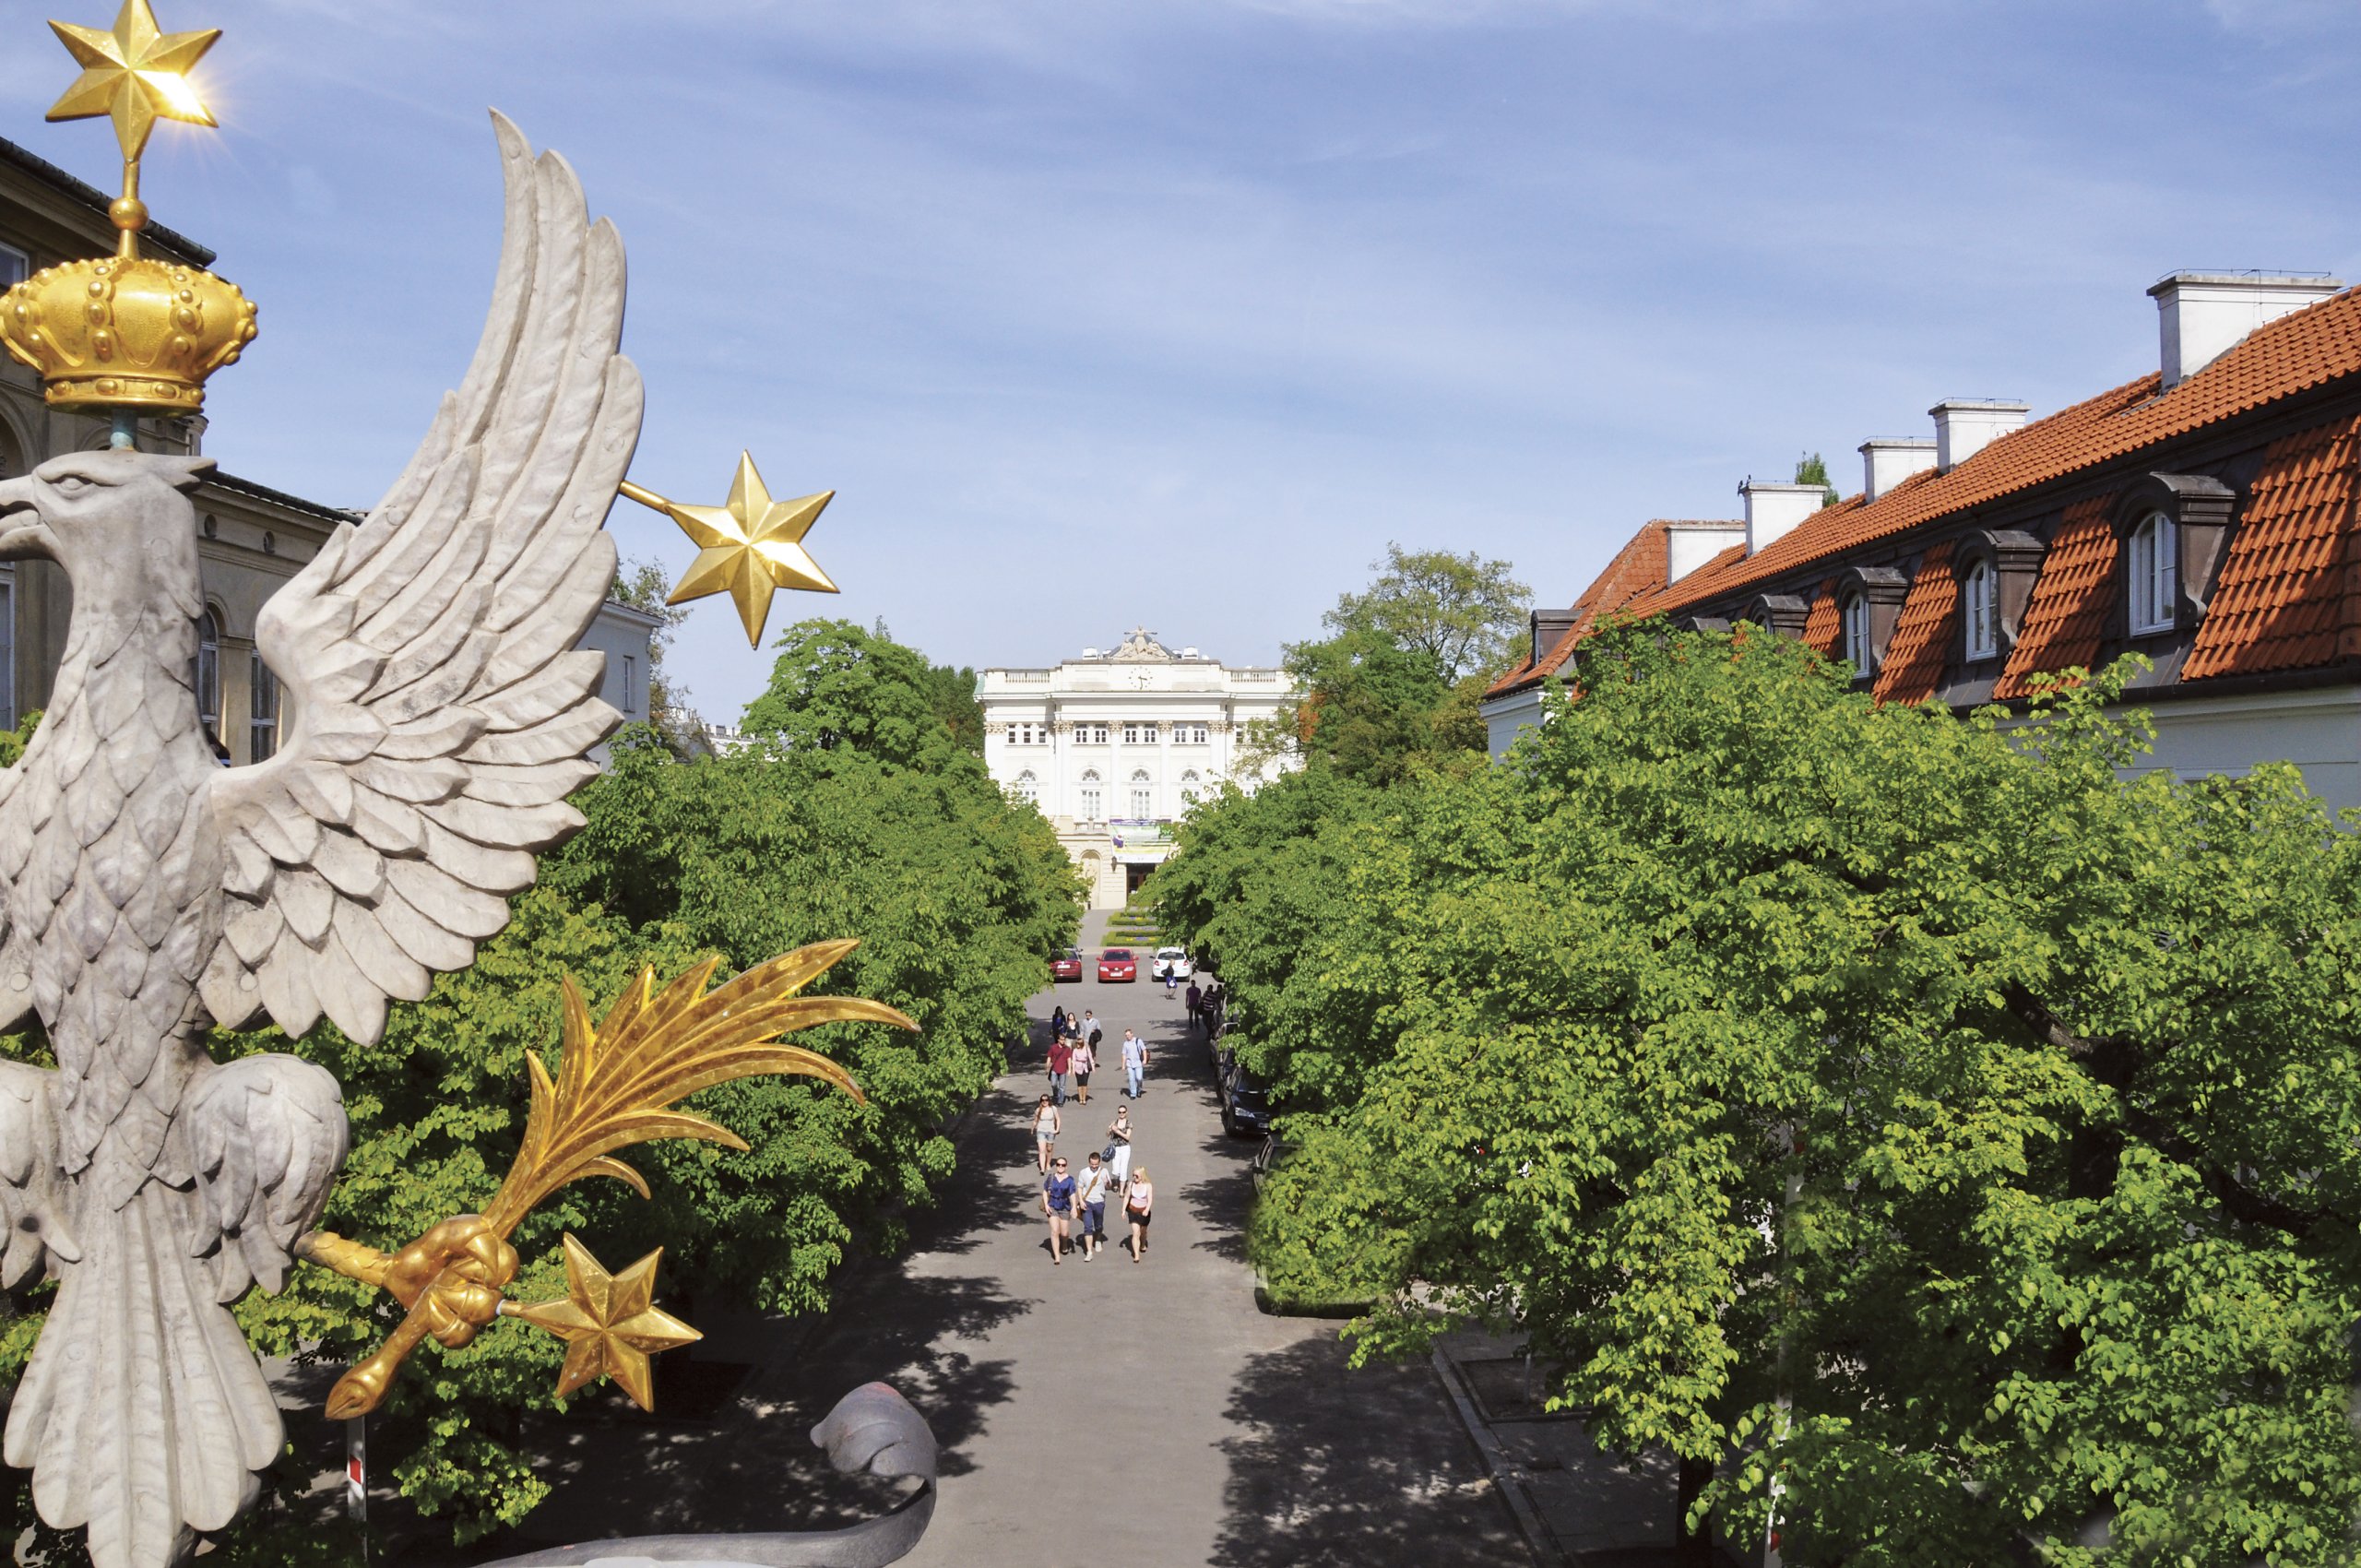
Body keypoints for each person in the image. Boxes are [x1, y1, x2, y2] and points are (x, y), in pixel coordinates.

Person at [1074, 1151, 1111, 1260]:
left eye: (1096, 1164)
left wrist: (1107, 1183)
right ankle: (1089, 1251)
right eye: (1092, 1164)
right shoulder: (1083, 1172)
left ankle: (1098, 1238)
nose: (1094, 1166)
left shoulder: (1104, 1171)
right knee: (1088, 1227)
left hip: (1099, 1202)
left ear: (1099, 1162)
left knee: (1098, 1225)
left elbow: (1109, 1187)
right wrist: (1080, 1200)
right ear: (1089, 1162)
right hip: (1088, 1202)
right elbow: (1080, 1187)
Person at [1041, 1156, 1076, 1265]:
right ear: (1056, 1166)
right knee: (1055, 1231)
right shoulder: (1051, 1177)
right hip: (1053, 1205)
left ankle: (1064, 1243)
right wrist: (1046, 1204)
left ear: (1066, 1166)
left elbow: (1072, 1194)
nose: (1060, 1167)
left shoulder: (1070, 1180)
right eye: (1058, 1165)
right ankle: (1057, 1256)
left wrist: (1074, 1206)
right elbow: (1045, 1190)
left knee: (1064, 1233)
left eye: (1063, 1165)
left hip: (1065, 1206)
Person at [1124, 1167, 1154, 1263]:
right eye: (1133, 1175)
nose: (1134, 1177)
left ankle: (1143, 1244)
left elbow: (1149, 1200)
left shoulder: (1148, 1185)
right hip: (1133, 1211)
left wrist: (1147, 1209)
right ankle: (1136, 1255)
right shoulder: (1131, 1184)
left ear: (1142, 1176)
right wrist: (1123, 1210)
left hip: (1144, 1212)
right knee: (1135, 1233)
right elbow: (1127, 1197)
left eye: (1136, 1175)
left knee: (1143, 1231)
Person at [1107, 1104, 1134, 1185]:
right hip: (1115, 1147)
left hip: (1125, 1147)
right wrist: (1109, 1129)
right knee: (1115, 1169)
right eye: (1120, 1112)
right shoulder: (1114, 1122)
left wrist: (1117, 1131)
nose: (1121, 1114)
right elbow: (1107, 1134)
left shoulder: (1129, 1123)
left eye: (1123, 1112)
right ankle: (1116, 1182)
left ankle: (1121, 1188)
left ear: (1126, 1113)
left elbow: (1127, 1137)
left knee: (1123, 1168)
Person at [1032, 1094, 1060, 1173]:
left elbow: (1058, 1119)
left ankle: (1048, 1163)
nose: (1045, 1102)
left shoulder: (1053, 1108)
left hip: (1051, 1131)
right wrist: (1032, 1127)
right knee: (1041, 1150)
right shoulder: (1038, 1110)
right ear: (1041, 1101)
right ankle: (1042, 1168)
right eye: (1043, 1100)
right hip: (1041, 1131)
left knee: (1049, 1149)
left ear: (1049, 1100)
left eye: (1046, 1100)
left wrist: (1057, 1129)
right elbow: (1035, 1120)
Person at [1047, 1031, 1074, 1107]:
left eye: (1064, 1040)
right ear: (1058, 1040)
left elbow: (1069, 1059)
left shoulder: (1067, 1049)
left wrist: (1070, 1070)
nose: (1063, 1041)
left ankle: (1060, 1101)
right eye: (1061, 1040)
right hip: (1054, 1069)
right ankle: (1056, 1094)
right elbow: (1049, 1057)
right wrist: (1047, 1066)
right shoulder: (1053, 1047)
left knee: (1062, 1086)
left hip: (1063, 1070)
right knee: (1053, 1084)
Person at [1121, 1028, 1148, 1098]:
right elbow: (1124, 1055)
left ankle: (1139, 1090)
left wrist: (1145, 1060)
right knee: (1131, 1079)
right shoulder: (1125, 1044)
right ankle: (1133, 1093)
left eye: (1128, 1035)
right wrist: (1123, 1065)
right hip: (1130, 1064)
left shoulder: (1138, 1041)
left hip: (1138, 1063)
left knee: (1139, 1078)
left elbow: (1144, 1050)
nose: (1127, 1036)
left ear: (1132, 1034)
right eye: (1126, 1035)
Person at [1070, 1032, 1096, 1105]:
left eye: (1078, 1044)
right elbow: (1073, 1060)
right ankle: (1080, 1098)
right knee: (1079, 1084)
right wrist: (1073, 1069)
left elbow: (1090, 1058)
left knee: (1085, 1083)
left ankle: (1084, 1099)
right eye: (1076, 1044)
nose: (1077, 1045)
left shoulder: (1087, 1049)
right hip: (1078, 1067)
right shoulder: (1075, 1050)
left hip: (1085, 1067)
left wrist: (1093, 1067)